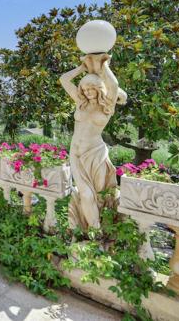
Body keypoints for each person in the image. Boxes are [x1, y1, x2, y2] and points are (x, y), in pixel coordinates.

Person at [59, 53, 127, 230]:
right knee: (86, 194)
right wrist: (82, 68)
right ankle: (94, 234)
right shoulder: (81, 102)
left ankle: (96, 234)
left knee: (96, 196)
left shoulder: (107, 106)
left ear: (99, 89)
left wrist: (103, 66)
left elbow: (114, 84)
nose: (88, 93)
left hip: (95, 154)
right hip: (76, 153)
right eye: (85, 89)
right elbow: (64, 79)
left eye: (92, 89)